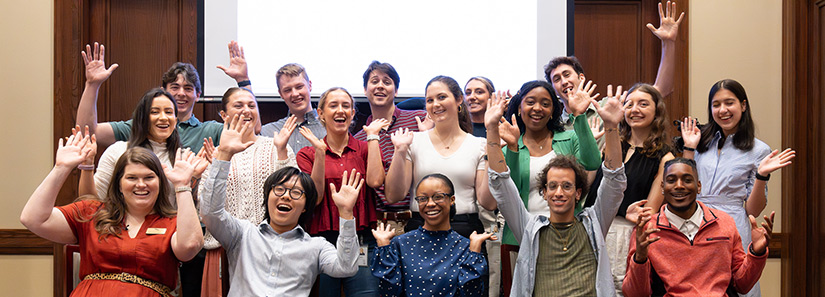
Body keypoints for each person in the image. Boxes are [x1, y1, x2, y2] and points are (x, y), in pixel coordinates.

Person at [21, 132, 204, 296]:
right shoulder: (92, 212)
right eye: (131, 178)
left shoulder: (171, 222)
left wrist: (182, 185)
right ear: (119, 184)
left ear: (160, 183)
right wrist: (61, 168)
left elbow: (190, 247)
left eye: (149, 177)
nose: (141, 184)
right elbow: (33, 219)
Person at [486, 87, 627, 296]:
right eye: (552, 186)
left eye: (567, 186)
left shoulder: (594, 222)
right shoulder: (529, 228)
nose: (559, 192)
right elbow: (501, 185)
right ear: (544, 192)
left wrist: (611, 126)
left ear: (578, 193)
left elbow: (614, 180)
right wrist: (490, 128)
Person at [199, 114, 361, 296]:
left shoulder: (316, 246)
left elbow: (346, 268)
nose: (285, 196)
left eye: (296, 193)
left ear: (305, 206)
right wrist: (224, 155)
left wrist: (346, 213)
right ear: (267, 197)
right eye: (279, 189)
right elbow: (211, 213)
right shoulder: (242, 234)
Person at [680, 79, 795, 297]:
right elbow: (686, 183)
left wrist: (762, 175)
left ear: (743, 105)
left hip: (733, 224)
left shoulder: (759, 149)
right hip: (695, 221)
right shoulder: (699, 141)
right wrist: (688, 147)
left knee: (738, 284)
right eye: (716, 105)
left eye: (729, 103)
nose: (722, 110)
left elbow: (752, 210)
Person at [196, 88, 298, 296]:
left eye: (252, 106)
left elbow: (293, 196)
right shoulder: (217, 153)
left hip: (271, 248)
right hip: (223, 249)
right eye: (238, 105)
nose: (247, 110)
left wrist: (280, 154)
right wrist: (222, 158)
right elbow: (205, 208)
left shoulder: (277, 146)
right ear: (223, 115)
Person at [622, 158, 774, 296]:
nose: (679, 186)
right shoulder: (647, 229)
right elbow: (635, 294)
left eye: (687, 180)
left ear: (698, 186)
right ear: (663, 187)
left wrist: (756, 252)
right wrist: (640, 259)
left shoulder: (724, 222)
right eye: (671, 180)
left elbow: (742, 285)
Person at [583, 83, 675, 295]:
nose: (635, 110)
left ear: (657, 111)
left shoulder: (665, 158)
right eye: (629, 104)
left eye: (643, 104)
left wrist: (625, 213)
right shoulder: (613, 143)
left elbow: (647, 211)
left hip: (626, 235)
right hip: (594, 228)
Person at [297, 87, 387, 297]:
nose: (341, 110)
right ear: (320, 114)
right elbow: (315, 198)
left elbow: (375, 181)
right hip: (322, 242)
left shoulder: (365, 148)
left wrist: (373, 137)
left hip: (363, 240)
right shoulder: (307, 153)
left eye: (346, 106)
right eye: (333, 105)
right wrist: (320, 154)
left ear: (353, 113)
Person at [545, 0, 684, 131]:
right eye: (556, 79)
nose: (564, 82)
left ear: (581, 78)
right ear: (553, 89)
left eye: (567, 74)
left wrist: (668, 43)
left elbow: (661, 90)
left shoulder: (609, 106)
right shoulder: (554, 126)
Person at [385, 75, 495, 238]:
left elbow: (489, 203)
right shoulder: (412, 141)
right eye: (430, 100)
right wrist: (400, 151)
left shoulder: (479, 145)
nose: (435, 104)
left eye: (442, 97)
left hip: (464, 230)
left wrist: (492, 150)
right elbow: (394, 195)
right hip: (420, 229)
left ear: (459, 100)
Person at [76, 42, 232, 153]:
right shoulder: (140, 126)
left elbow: (253, 135)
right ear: (163, 91)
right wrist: (92, 85)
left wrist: (243, 81)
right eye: (175, 87)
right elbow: (87, 132)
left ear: (197, 95)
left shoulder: (211, 131)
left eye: (188, 88)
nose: (181, 93)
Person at [371, 174, 494, 296]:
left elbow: (471, 293)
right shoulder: (400, 243)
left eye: (438, 197)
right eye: (423, 199)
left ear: (452, 200)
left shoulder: (466, 246)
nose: (430, 204)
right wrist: (384, 247)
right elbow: (389, 292)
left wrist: (475, 250)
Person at [353, 61, 429, 235]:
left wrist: (428, 134)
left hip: (418, 221)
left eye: (387, 82)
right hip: (378, 226)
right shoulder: (360, 138)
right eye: (374, 81)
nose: (380, 86)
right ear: (365, 90)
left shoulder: (418, 120)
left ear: (396, 90)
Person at [260, 63, 328, 153]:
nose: (295, 94)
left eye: (299, 87)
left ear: (310, 85)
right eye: (287, 90)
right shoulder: (268, 133)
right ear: (280, 94)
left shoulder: (330, 129)